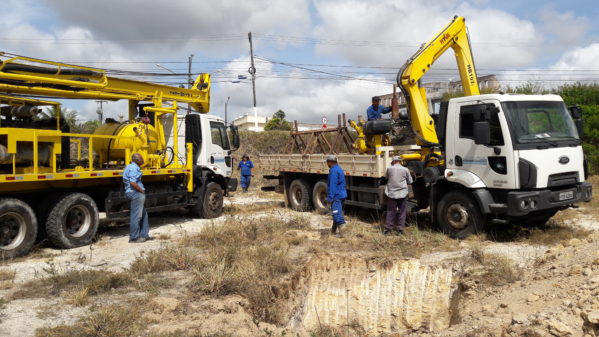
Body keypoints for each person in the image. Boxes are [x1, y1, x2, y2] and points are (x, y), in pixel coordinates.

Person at [123, 153, 153, 243]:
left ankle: (144, 235)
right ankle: (134, 238)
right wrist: (141, 190)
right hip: (135, 193)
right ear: (137, 160)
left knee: (144, 214)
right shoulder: (134, 168)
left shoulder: (129, 166)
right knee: (136, 216)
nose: (143, 160)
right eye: (141, 158)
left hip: (132, 193)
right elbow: (133, 182)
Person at [383, 156, 413, 235]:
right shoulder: (405, 169)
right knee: (402, 211)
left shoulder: (389, 169)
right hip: (402, 194)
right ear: (400, 161)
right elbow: (410, 181)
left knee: (390, 211)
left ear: (393, 161)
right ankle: (400, 229)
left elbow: (386, 177)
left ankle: (388, 229)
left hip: (392, 194)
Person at [326, 155, 347, 237]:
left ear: (330, 162)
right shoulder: (338, 168)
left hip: (336, 196)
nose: (327, 164)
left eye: (327, 162)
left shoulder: (333, 171)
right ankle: (333, 231)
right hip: (342, 194)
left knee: (337, 214)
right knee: (337, 212)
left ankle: (343, 233)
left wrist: (330, 198)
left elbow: (332, 185)